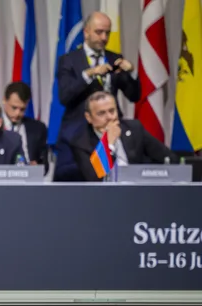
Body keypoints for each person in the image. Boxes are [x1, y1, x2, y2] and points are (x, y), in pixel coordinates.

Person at [54, 11, 140, 181]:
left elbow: (134, 96)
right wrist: (89, 74)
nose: (104, 38)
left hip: (109, 132)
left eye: (107, 33)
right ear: (86, 32)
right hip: (76, 135)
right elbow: (65, 96)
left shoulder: (115, 59)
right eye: (99, 32)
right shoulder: (69, 60)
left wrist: (132, 72)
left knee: (111, 181)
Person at [70, 91, 172, 181]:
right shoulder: (81, 143)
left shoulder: (134, 128)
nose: (109, 117)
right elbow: (96, 180)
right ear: (88, 117)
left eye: (112, 111)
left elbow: (168, 158)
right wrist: (109, 144)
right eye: (101, 113)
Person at [1, 81, 49, 166]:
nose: (17, 113)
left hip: (28, 173)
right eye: (14, 107)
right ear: (4, 100)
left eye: (22, 109)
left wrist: (37, 166)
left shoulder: (38, 128)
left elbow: (44, 164)